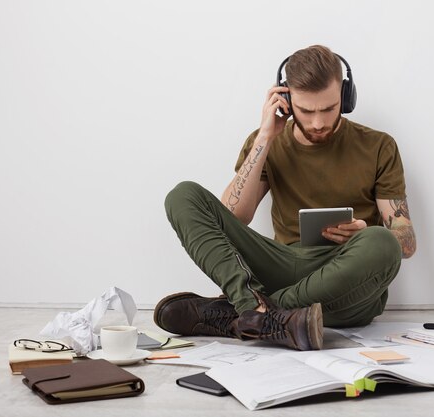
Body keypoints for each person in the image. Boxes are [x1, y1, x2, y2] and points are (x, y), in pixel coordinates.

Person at [154, 45, 416, 351]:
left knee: (381, 243)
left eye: (329, 108)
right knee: (183, 195)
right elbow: (233, 216)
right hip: (283, 266)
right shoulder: (265, 142)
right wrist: (265, 137)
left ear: (345, 98)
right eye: (306, 110)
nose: (318, 122)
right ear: (286, 100)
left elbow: (406, 242)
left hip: (346, 283)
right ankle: (257, 310)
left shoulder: (378, 145)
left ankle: (245, 316)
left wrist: (363, 233)